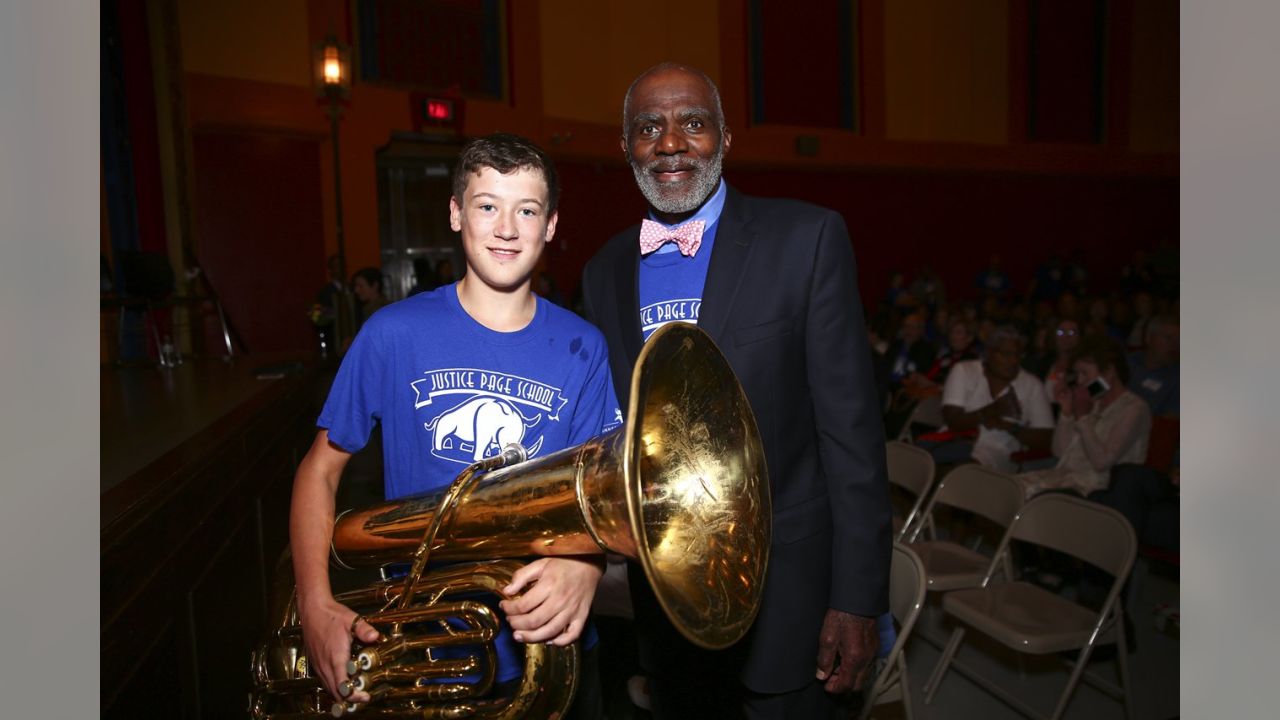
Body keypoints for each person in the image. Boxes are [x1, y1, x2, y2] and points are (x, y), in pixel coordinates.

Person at [580, 62, 891, 719]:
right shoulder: (603, 271)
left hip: (791, 603)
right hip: (666, 613)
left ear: (724, 139)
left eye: (692, 123)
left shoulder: (806, 240)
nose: (669, 143)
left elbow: (852, 436)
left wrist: (857, 598)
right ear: (625, 148)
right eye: (648, 128)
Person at [290, 133, 621, 717]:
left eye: (528, 210)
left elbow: (601, 495)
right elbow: (319, 471)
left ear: (550, 226)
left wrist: (587, 565)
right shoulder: (392, 333)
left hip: (554, 648)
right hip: (424, 646)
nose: (506, 228)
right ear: (454, 213)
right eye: (487, 205)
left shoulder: (584, 346)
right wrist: (315, 602)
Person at [1017, 336, 1152, 498]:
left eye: (1085, 374)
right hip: (1065, 478)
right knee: (1010, 485)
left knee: (1029, 494)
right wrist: (1066, 412)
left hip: (1097, 490)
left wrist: (1082, 417)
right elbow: (1060, 452)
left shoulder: (1134, 408)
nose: (1080, 381)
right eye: (1077, 374)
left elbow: (1101, 462)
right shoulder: (1093, 403)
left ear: (1108, 372)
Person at [931, 325, 1054, 472]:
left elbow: (1046, 440)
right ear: (989, 353)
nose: (1013, 360)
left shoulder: (1032, 385)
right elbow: (952, 421)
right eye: (1006, 354)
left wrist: (1009, 427)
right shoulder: (965, 370)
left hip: (999, 452)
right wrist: (989, 412)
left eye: (1018, 354)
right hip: (954, 441)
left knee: (964, 471)